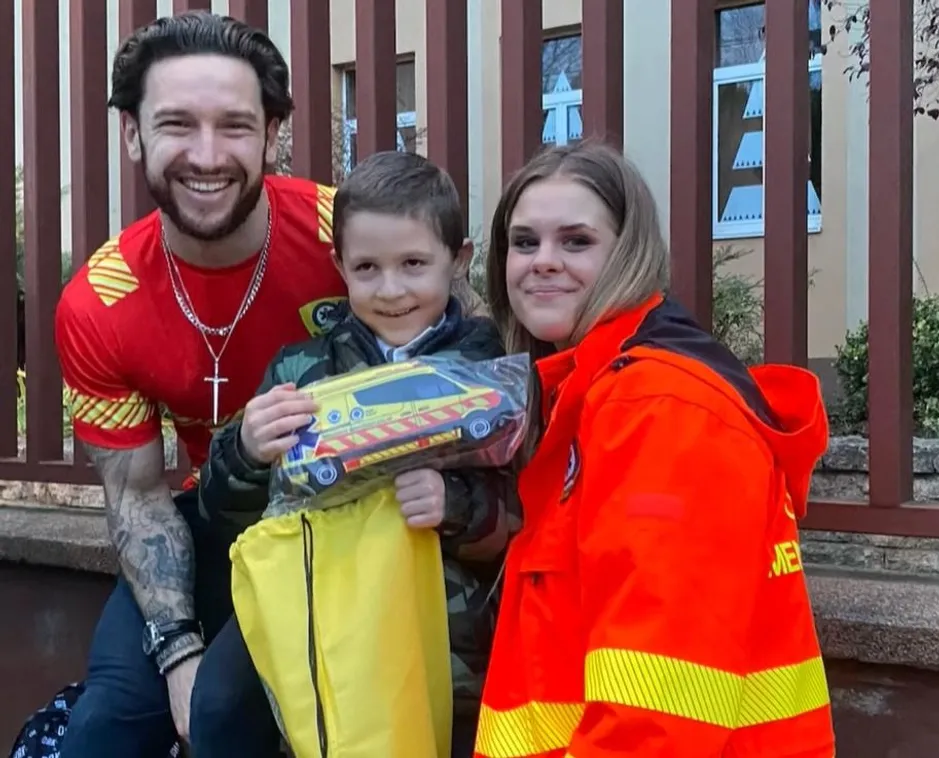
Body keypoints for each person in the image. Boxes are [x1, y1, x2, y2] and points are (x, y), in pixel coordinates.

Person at [473, 140, 837, 756]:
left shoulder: (657, 405)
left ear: (629, 254)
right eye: (525, 241)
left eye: (577, 241)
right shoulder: (596, 393)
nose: (543, 261)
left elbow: (655, 716)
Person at [52, 12, 348, 757]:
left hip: (356, 521)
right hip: (216, 518)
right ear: (132, 134)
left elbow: (456, 366)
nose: (207, 156)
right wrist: (178, 655)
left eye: (236, 126)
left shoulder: (349, 236)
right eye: (177, 124)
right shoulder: (100, 302)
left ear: (273, 134)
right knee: (104, 734)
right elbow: (138, 497)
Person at [198, 150, 513, 756]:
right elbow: (229, 521)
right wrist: (245, 453)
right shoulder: (301, 370)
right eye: (367, 267)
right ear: (339, 265)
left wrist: (455, 505)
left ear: (460, 259)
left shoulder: (489, 376)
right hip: (321, 631)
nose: (390, 289)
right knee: (222, 704)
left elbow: (522, 514)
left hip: (446, 641)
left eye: (414, 263)